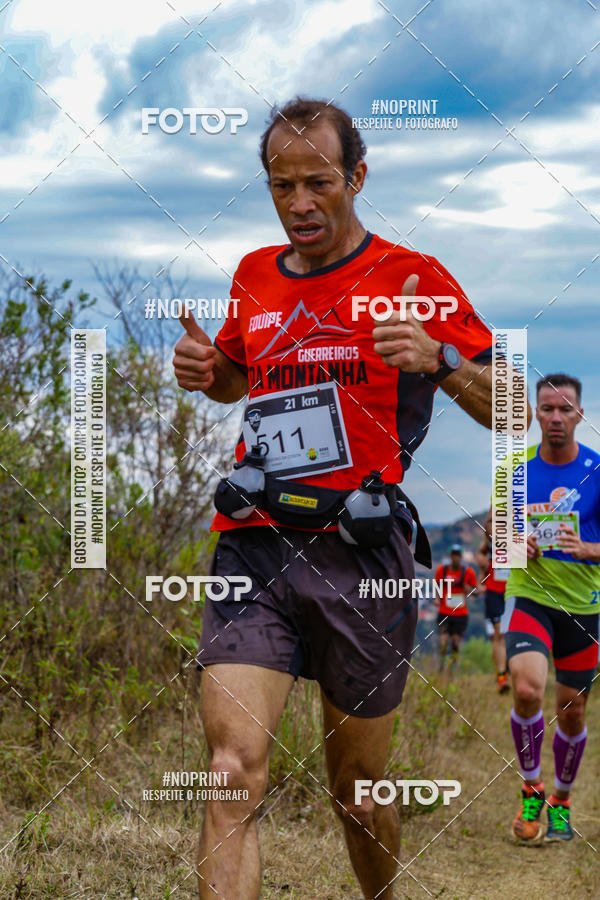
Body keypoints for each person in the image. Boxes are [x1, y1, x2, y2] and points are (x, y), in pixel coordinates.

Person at [173, 97, 501, 900]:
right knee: (230, 773)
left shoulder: (413, 277)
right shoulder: (253, 274)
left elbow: (514, 405)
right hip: (252, 541)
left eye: (317, 183)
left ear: (357, 176)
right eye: (281, 187)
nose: (299, 205)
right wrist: (211, 374)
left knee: (357, 795)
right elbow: (243, 380)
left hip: (360, 554)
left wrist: (439, 357)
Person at [504, 374, 600, 844]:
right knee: (526, 690)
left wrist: (588, 549)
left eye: (565, 409)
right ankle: (531, 788)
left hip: (583, 606)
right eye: (547, 409)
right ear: (535, 413)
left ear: (580, 414)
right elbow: (493, 530)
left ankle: (561, 799)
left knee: (572, 711)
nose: (556, 418)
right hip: (530, 596)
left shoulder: (597, 470)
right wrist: (513, 540)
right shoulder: (515, 468)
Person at [476, 508, 510, 692]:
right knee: (500, 633)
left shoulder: (519, 530)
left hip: (515, 588)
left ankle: (510, 669)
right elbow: (481, 552)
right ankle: (502, 677)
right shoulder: (490, 532)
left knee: (511, 633)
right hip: (494, 588)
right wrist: (481, 561)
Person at [434, 545, 478, 670]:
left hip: (461, 614)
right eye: (453, 554)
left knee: (455, 642)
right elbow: (437, 585)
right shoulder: (442, 570)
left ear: (461, 556)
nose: (455, 557)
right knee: (443, 642)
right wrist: (437, 598)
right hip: (444, 612)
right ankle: (441, 666)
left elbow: (476, 591)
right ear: (450, 556)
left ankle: (453, 666)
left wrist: (468, 589)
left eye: (458, 555)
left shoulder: (468, 572)